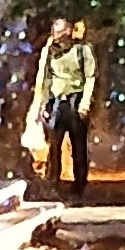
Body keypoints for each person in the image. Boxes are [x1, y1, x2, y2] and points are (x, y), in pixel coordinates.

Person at [24, 14, 99, 200]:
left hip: (75, 100)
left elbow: (90, 77)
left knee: (78, 147)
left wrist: (85, 103)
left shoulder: (82, 50)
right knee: (54, 145)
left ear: (67, 32)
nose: (55, 36)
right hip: (57, 102)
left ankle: (78, 187)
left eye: (58, 32)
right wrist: (43, 104)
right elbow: (45, 78)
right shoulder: (50, 52)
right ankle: (53, 183)